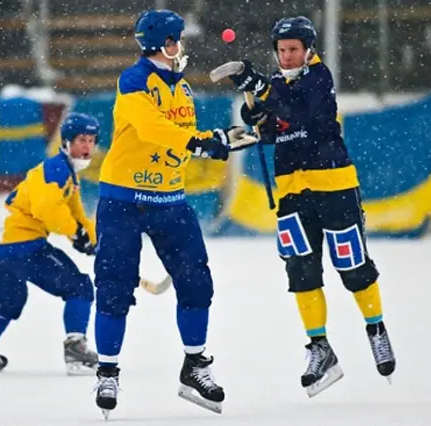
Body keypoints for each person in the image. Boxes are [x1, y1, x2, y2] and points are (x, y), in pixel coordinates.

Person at [91, 8, 255, 416]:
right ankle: (107, 371)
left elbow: (177, 140)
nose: (180, 46)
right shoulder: (134, 80)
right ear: (163, 43)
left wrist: (224, 138)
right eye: (176, 39)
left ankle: (195, 366)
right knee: (113, 288)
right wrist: (201, 141)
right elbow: (152, 129)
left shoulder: (180, 87)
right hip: (123, 200)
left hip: (169, 200)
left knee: (197, 283)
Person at [228, 16, 396, 397]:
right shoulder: (273, 85)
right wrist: (255, 119)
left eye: (293, 50)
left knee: (353, 267)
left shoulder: (320, 78)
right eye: (281, 50)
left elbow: (304, 118)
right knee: (301, 273)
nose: (286, 57)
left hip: (333, 185)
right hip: (292, 191)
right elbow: (274, 130)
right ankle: (319, 347)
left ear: (308, 49)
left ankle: (376, 329)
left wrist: (265, 95)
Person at [0, 112, 101, 375]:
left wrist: (94, 242)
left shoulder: (66, 175)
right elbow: (48, 208)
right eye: (82, 140)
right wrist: (77, 234)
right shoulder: (57, 168)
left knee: (11, 299)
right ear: (67, 141)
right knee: (79, 287)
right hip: (22, 244)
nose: (87, 147)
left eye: (92, 141)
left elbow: (77, 217)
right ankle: (76, 352)